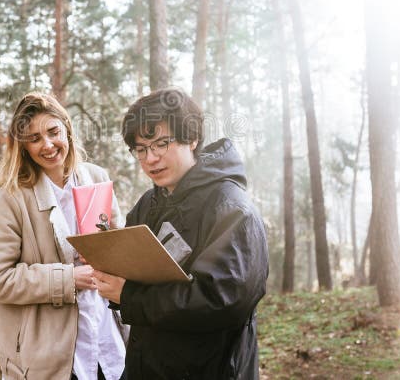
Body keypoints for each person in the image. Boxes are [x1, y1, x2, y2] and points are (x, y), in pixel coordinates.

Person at [93, 88, 269, 380]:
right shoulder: (147, 205)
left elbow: (221, 301)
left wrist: (129, 297)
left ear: (192, 138)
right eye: (141, 149)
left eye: (162, 143)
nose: (151, 158)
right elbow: (136, 276)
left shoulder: (232, 210)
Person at [0, 92, 126, 380]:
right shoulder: (12, 199)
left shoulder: (96, 178)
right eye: (34, 138)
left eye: (53, 132)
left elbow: (119, 247)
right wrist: (68, 279)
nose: (47, 144)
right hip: (52, 361)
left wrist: (110, 253)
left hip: (109, 347)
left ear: (66, 130)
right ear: (23, 147)